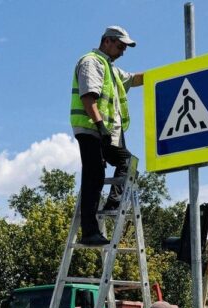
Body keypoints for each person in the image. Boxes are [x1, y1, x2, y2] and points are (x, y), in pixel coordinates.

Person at [70, 25, 144, 246]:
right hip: (92, 129)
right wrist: (100, 125)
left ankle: (113, 203)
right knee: (94, 175)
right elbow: (88, 97)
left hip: (104, 133)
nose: (123, 51)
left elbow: (135, 79)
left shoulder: (111, 69)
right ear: (107, 41)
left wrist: (167, 74)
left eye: (125, 48)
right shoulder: (91, 62)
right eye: (120, 46)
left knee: (122, 164)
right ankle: (90, 231)